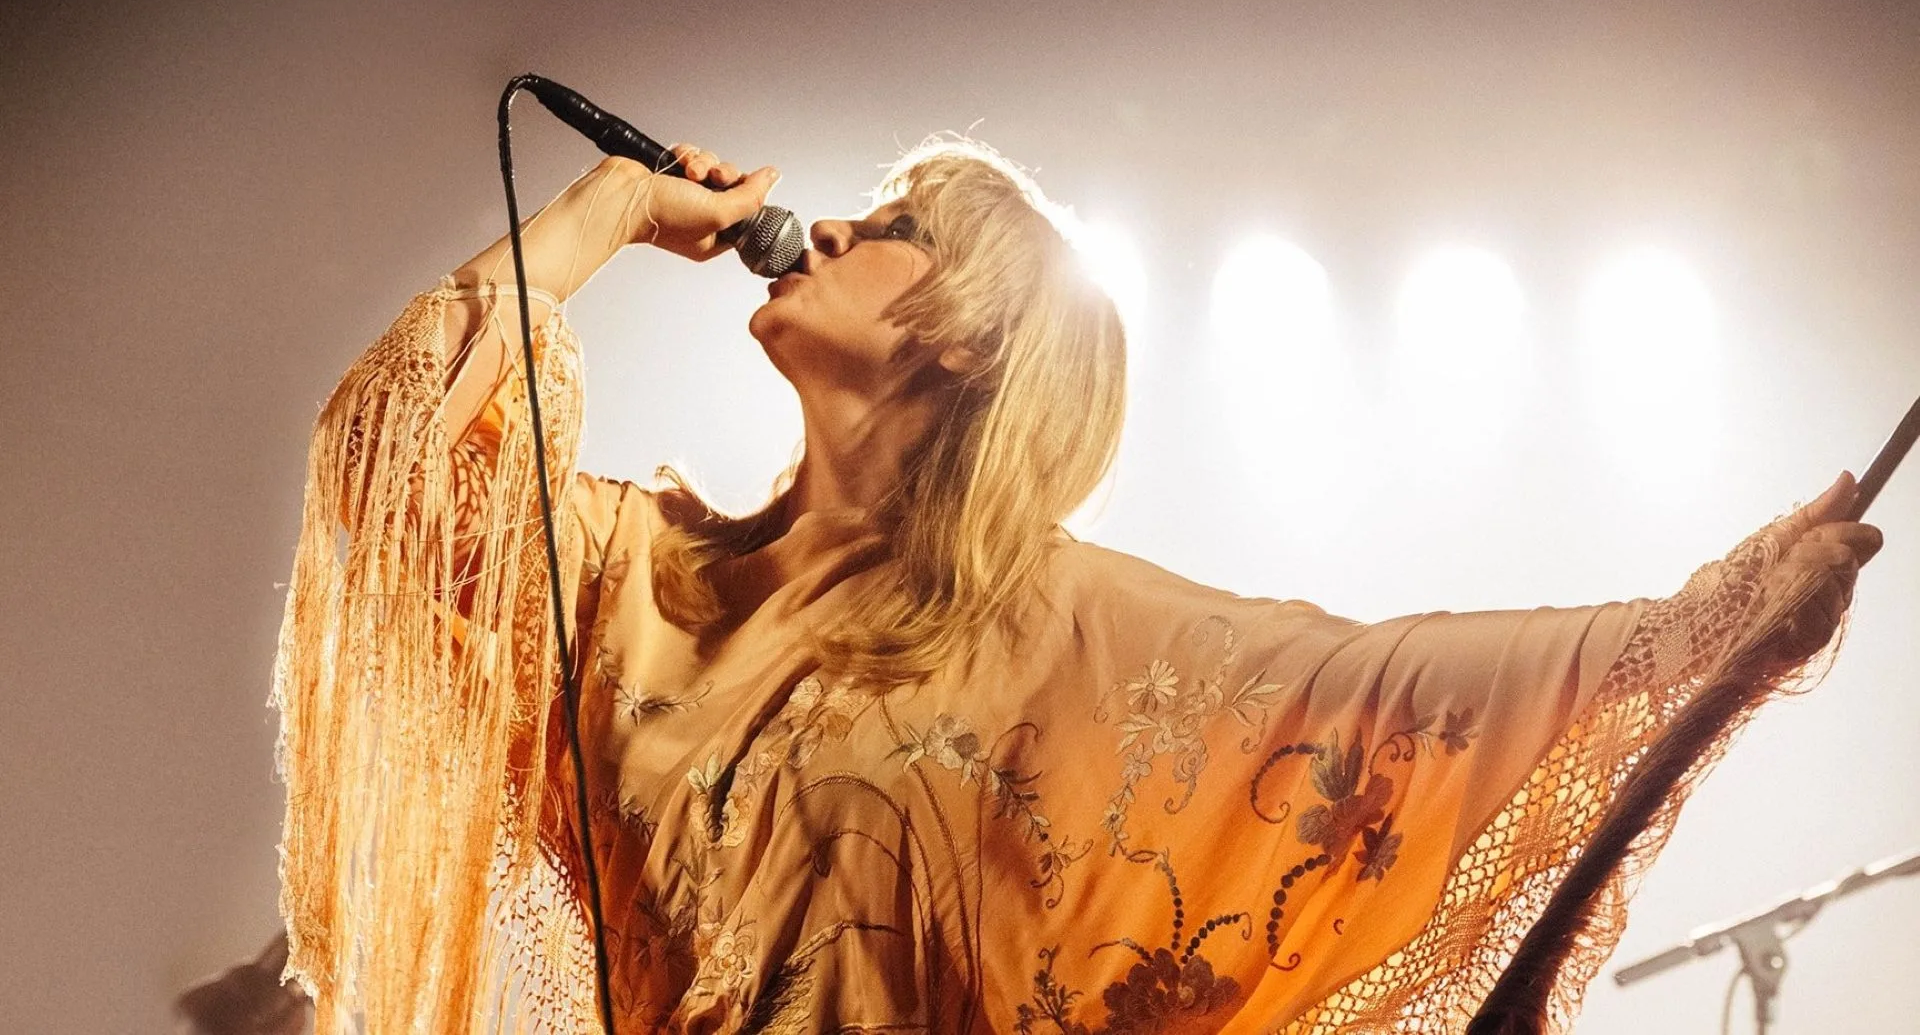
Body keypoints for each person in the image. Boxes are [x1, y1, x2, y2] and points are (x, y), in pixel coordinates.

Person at [264, 139, 1882, 1034]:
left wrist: (1719, 619)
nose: (821, 227)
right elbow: (388, 449)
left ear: (974, 333)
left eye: (891, 226)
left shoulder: (1070, 634)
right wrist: (604, 211)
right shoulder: (642, 587)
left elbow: (1388, 690)